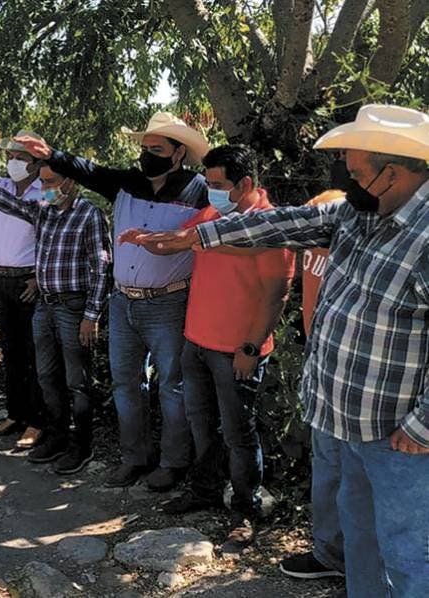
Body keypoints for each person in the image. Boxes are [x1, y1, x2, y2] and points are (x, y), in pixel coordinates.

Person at [129, 104, 429, 597]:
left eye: (355, 173)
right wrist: (196, 236)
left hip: (399, 436)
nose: (347, 184)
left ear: (393, 172)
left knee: (409, 553)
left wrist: (423, 425)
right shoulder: (362, 211)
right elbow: (281, 225)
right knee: (362, 541)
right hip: (349, 421)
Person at [16, 112, 205, 491]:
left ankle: (173, 463)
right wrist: (53, 153)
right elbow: (87, 170)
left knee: (171, 385)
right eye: (145, 148)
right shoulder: (126, 183)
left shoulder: (198, 190)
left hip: (168, 304)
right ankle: (135, 457)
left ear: (179, 152)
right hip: (123, 304)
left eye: (157, 149)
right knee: (125, 384)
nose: (147, 155)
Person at [122, 145, 296, 553]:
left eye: (218, 186)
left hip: (236, 349)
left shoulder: (270, 227)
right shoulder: (215, 215)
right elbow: (183, 240)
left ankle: (245, 509)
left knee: (239, 432)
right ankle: (204, 489)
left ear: (246, 184)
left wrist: (251, 347)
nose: (211, 193)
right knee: (201, 422)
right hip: (197, 342)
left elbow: (277, 295)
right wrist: (150, 241)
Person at [0, 153, 111, 473]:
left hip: (72, 307)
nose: (44, 188)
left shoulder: (89, 215)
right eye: (43, 182)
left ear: (70, 183)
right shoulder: (43, 212)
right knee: (46, 374)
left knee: (76, 379)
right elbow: (11, 204)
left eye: (50, 183)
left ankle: (82, 444)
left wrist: (92, 315)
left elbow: (101, 268)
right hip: (45, 305)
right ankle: (56, 434)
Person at [278, 189, 346, 580]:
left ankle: (366, 566)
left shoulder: (377, 228)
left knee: (359, 477)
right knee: (327, 466)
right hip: (320, 362)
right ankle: (329, 555)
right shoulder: (321, 212)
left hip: (360, 374)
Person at [0, 131, 49, 450]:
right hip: (2, 280)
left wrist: (37, 277)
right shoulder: (0, 188)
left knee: (34, 355)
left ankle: (37, 421)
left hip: (27, 282)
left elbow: (49, 239)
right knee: (11, 352)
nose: (14, 163)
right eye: (10, 157)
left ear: (36, 164)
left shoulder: (44, 193)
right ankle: (16, 415)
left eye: (21, 158)